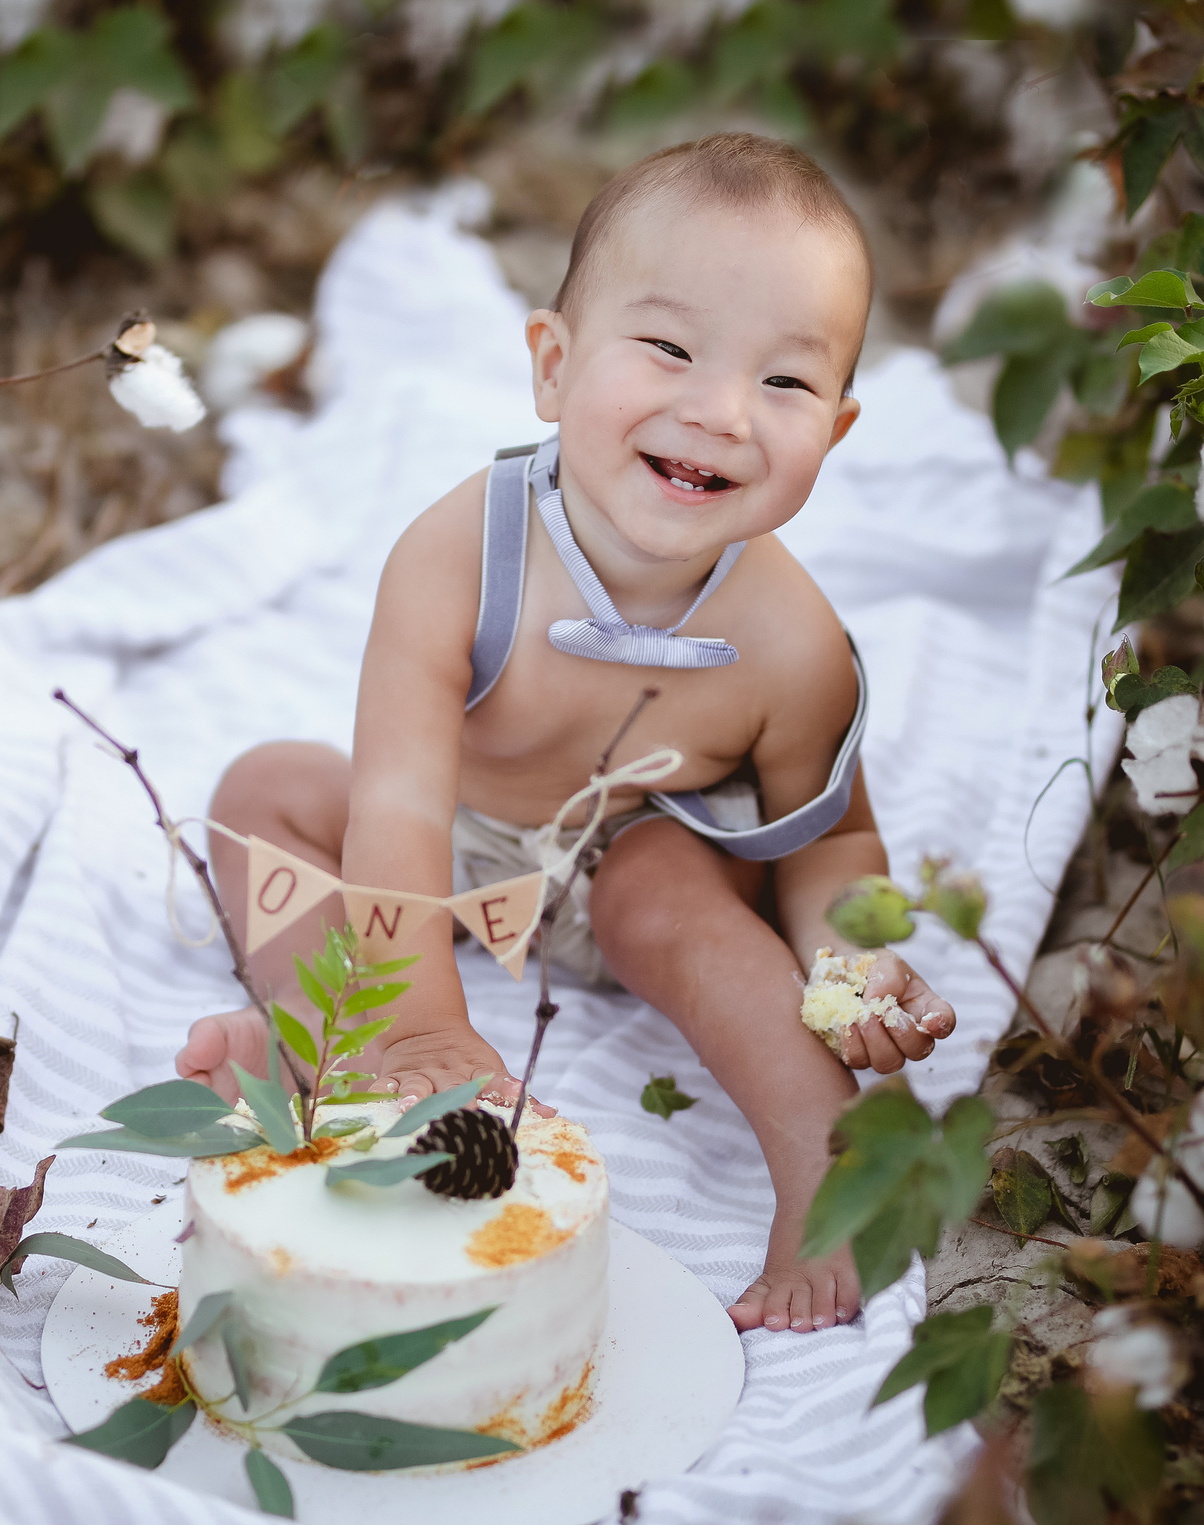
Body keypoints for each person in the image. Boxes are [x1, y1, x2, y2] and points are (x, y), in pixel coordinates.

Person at [175, 133, 956, 1334]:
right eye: (668, 349)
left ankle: (829, 1163)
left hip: (625, 858)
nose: (719, 411)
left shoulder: (793, 643)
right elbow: (394, 802)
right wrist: (425, 1015)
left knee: (668, 900)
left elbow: (831, 843)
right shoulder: (457, 555)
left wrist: (848, 969)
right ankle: (333, 1049)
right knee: (265, 788)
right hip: (443, 839)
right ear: (552, 364)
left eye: (785, 383)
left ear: (838, 433)